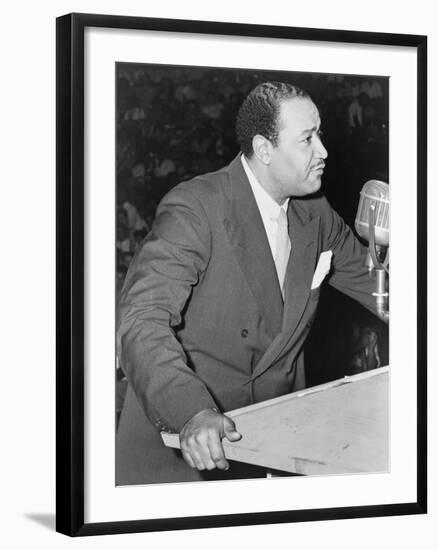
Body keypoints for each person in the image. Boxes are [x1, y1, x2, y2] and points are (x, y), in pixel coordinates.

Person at [116, 81, 382, 485]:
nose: (324, 151)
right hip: (183, 452)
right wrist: (191, 412)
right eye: (308, 139)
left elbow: (383, 289)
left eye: (320, 134)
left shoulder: (316, 213)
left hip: (274, 449)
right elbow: (141, 319)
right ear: (264, 149)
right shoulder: (196, 208)